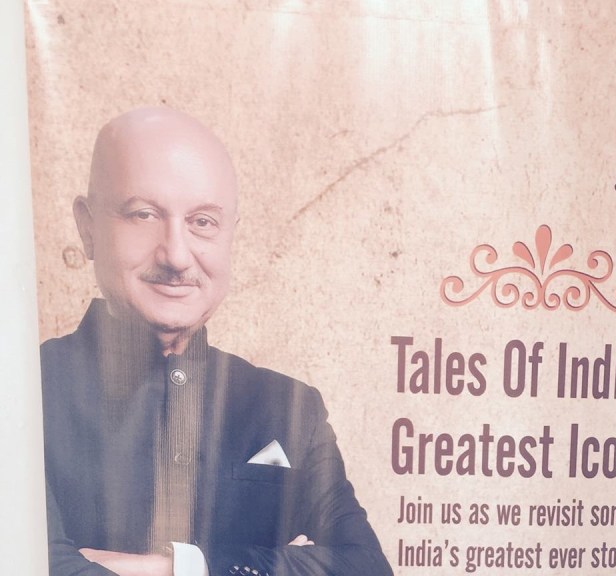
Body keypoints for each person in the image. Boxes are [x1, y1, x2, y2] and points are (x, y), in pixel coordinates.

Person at [41, 107, 393, 576]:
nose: (176, 255)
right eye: (144, 214)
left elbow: (366, 567)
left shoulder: (290, 407)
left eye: (203, 222)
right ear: (88, 229)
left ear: (230, 236)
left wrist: (183, 566)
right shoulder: (22, 389)